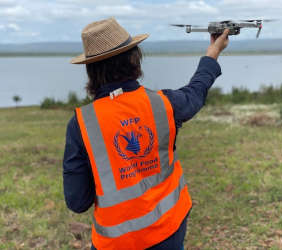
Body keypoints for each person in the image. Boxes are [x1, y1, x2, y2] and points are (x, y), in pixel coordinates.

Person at [63, 17, 229, 250]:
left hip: (114, 244)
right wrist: (212, 53)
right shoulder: (164, 104)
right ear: (134, 59)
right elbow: (195, 93)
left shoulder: (80, 125)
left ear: (91, 70)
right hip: (170, 230)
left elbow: (77, 201)